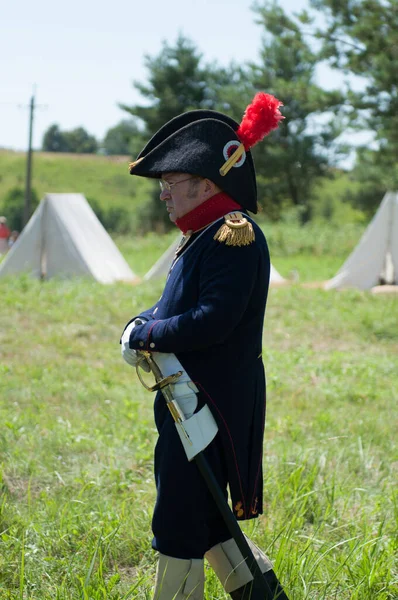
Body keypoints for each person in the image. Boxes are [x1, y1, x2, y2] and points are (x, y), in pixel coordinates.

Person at [120, 93, 289, 599]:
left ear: (204, 184)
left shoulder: (232, 235)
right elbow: (175, 305)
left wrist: (144, 335)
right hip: (188, 403)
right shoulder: (202, 234)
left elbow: (211, 322)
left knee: (178, 521)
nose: (165, 196)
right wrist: (141, 320)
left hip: (209, 405)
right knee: (208, 519)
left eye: (171, 185)